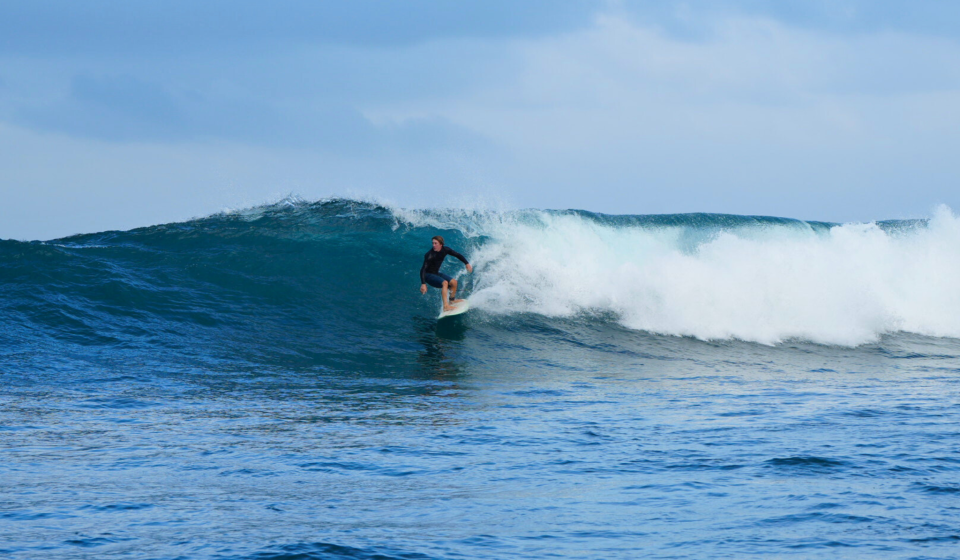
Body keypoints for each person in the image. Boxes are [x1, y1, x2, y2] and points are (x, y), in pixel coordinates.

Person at [420, 235, 473, 312]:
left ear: (441, 244)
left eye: (436, 243)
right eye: (433, 243)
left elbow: (457, 255)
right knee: (445, 283)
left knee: (454, 282)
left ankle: (451, 301)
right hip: (428, 275)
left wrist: (466, 263)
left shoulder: (445, 250)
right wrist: (423, 284)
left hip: (436, 273)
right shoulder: (429, 255)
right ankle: (446, 306)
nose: (433, 245)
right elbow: (423, 269)